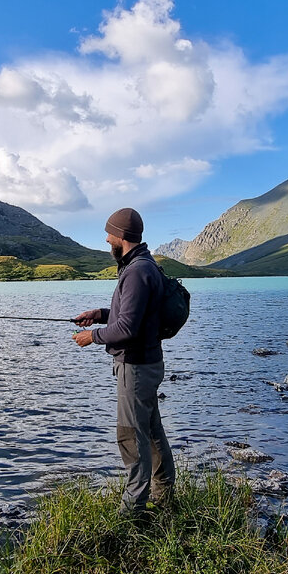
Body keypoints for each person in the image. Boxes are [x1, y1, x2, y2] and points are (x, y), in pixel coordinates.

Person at [72, 207, 176, 515]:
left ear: (121, 236)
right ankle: (164, 497)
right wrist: (99, 314)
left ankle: (132, 512)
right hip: (147, 362)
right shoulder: (144, 266)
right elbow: (134, 316)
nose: (107, 239)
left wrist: (93, 336)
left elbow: (127, 328)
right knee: (152, 432)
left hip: (136, 367)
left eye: (110, 234)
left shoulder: (136, 272)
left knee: (131, 436)